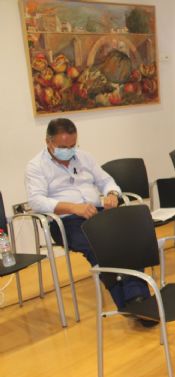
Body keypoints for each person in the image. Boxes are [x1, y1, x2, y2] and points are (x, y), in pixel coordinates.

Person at [25, 118, 154, 325]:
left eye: (72, 146)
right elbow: (36, 201)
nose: (69, 151)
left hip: (97, 212)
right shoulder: (36, 166)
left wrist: (111, 194)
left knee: (129, 237)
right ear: (48, 142)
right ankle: (130, 302)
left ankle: (137, 298)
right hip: (66, 221)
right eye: (63, 147)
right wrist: (72, 207)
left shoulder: (84, 157)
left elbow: (106, 181)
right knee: (99, 247)